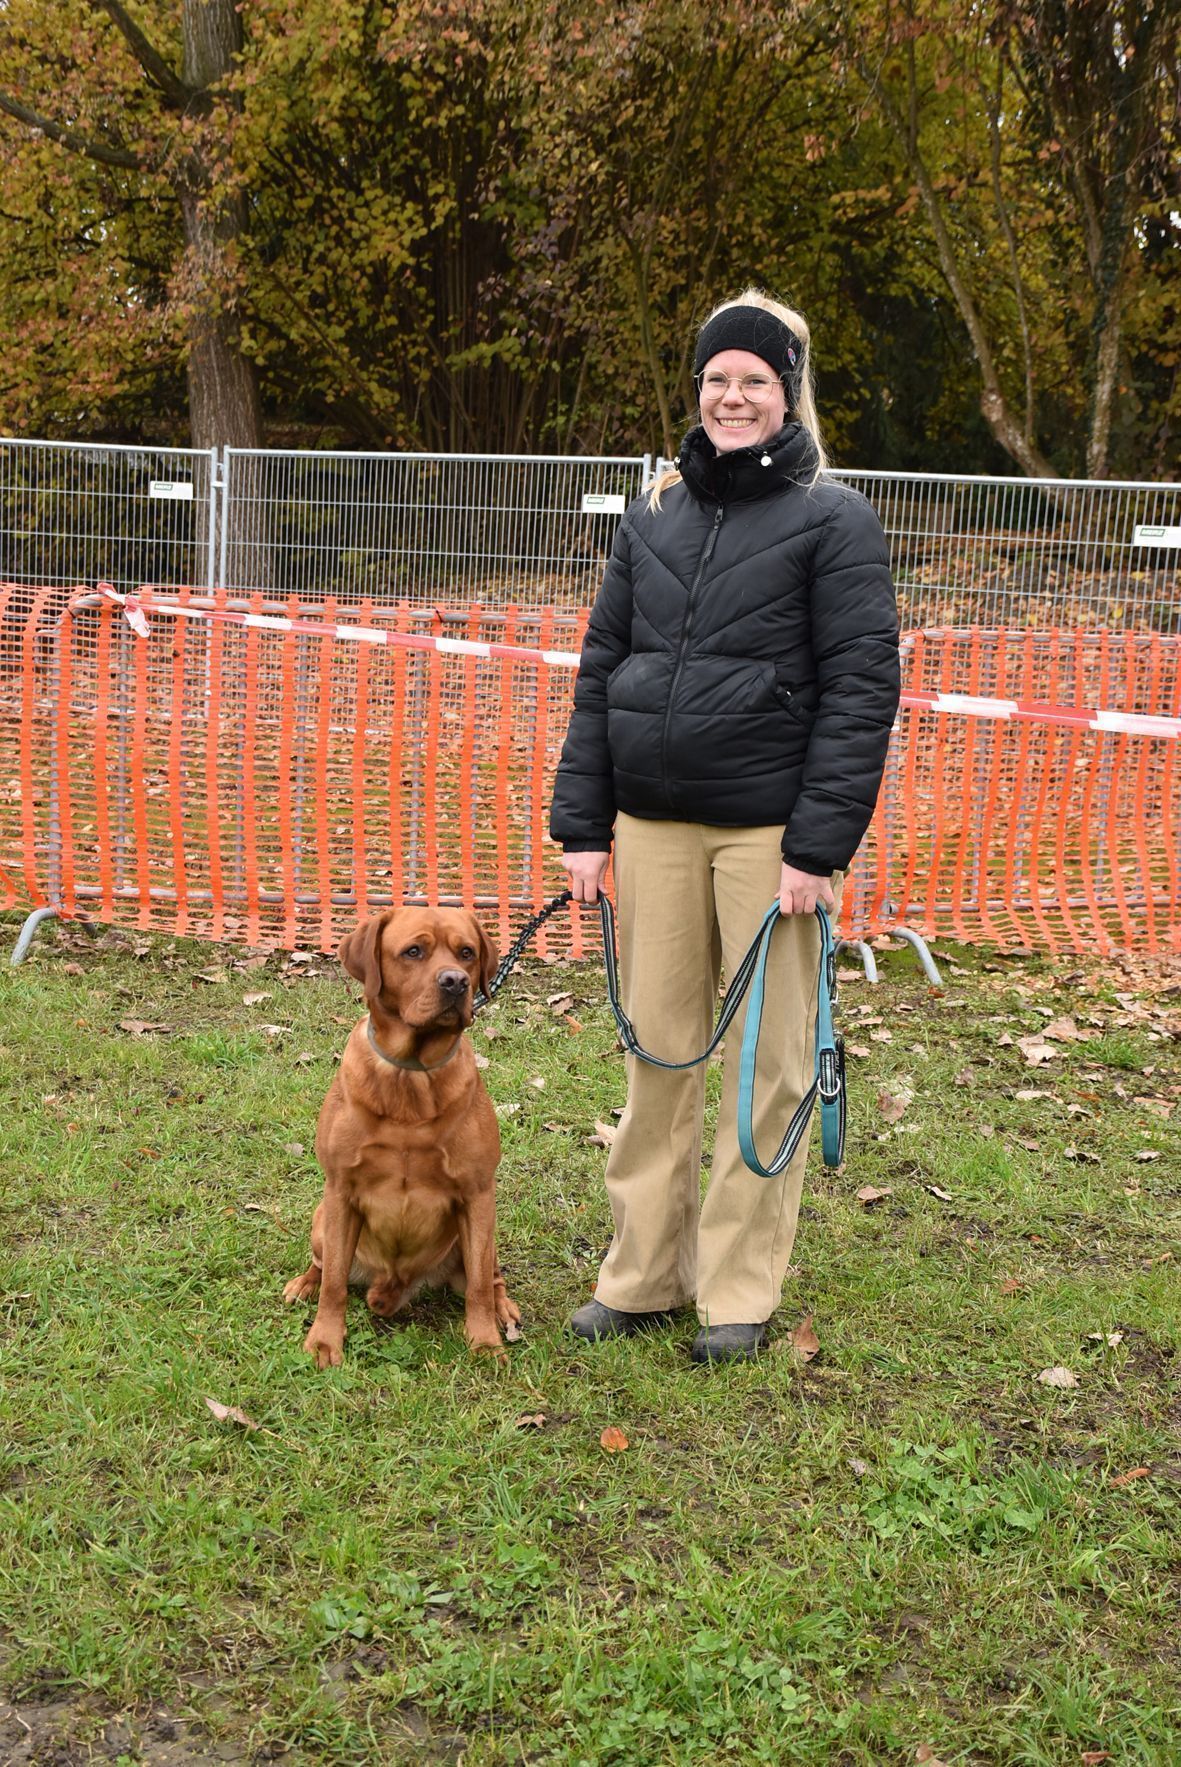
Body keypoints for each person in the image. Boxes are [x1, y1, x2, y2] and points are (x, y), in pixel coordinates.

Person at [549, 288, 900, 1365]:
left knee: (764, 1065)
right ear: (695, 393)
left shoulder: (831, 520)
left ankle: (736, 1293)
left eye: (752, 380)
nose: (732, 397)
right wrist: (583, 827)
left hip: (767, 840)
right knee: (655, 1055)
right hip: (648, 825)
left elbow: (858, 688)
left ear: (785, 393)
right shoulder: (651, 511)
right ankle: (642, 1275)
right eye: (715, 381)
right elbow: (601, 667)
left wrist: (815, 849)